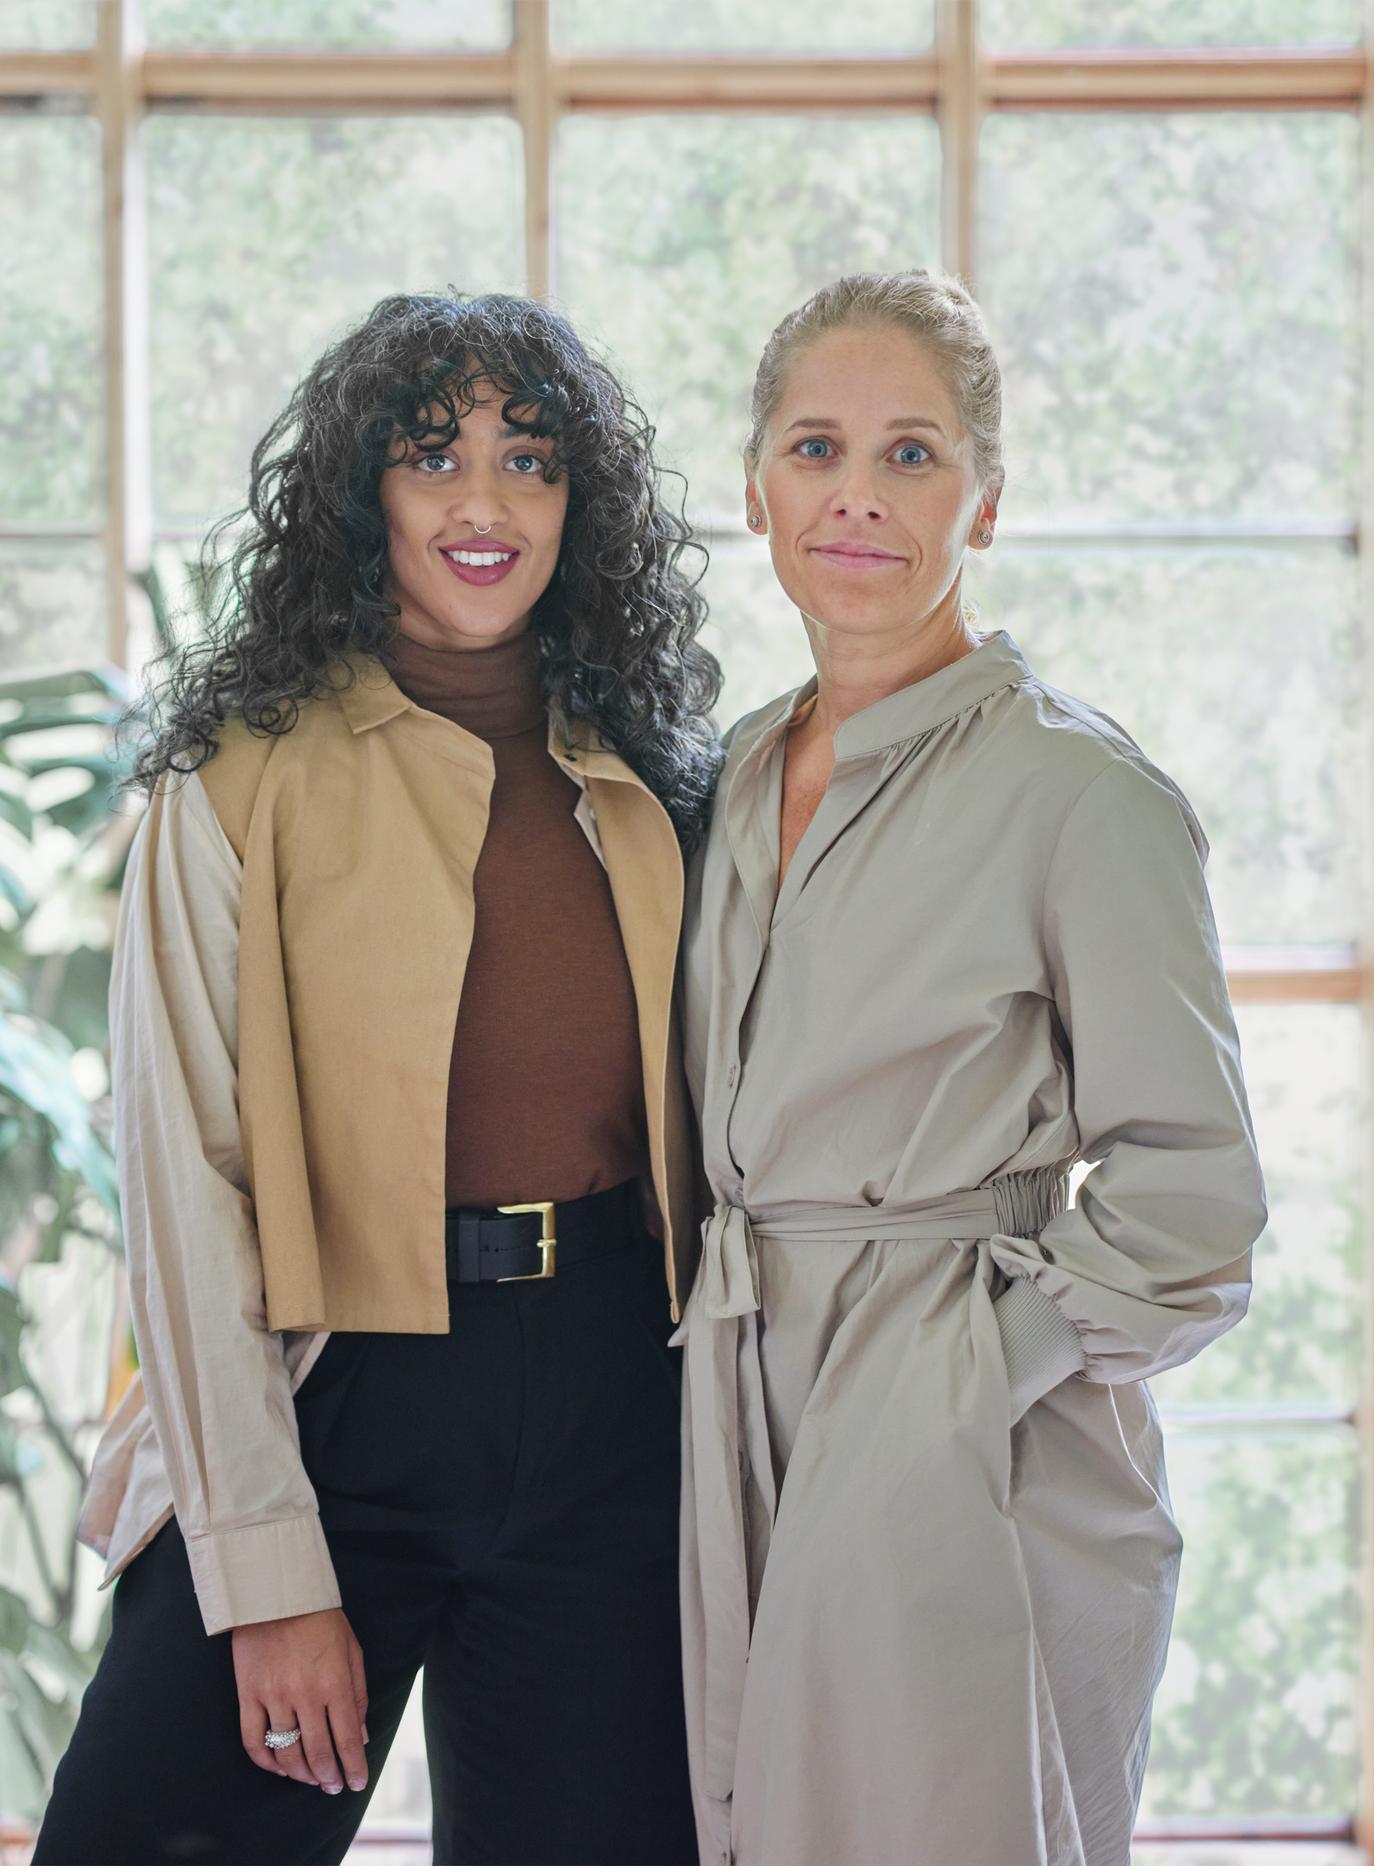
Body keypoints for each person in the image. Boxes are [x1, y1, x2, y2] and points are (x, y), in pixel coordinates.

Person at [34, 290, 716, 1866]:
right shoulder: (237, 777)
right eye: (431, 455)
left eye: (529, 459)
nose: (485, 503)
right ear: (363, 492)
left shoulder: (651, 774)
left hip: (613, 1399)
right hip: (330, 1396)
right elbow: (186, 1189)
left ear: (580, 503)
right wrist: (266, 1574)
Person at [676, 270, 1268, 1866]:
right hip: (734, 1411)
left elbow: (1198, 1202)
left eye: (913, 454)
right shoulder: (728, 778)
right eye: (815, 447)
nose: (858, 495)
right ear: (756, 488)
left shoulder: (1085, 795)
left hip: (968, 1431)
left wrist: (961, 1386)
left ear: (986, 502)